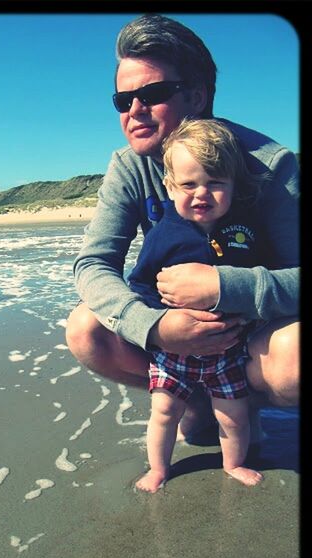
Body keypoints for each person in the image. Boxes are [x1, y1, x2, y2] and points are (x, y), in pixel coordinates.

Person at [66, 14, 299, 442]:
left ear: (196, 95)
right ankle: (195, 395)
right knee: (86, 330)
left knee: (295, 361)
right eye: (123, 100)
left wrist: (222, 287)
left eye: (152, 94)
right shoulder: (129, 166)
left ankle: (243, 403)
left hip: (252, 332)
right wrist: (154, 328)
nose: (134, 111)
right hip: (170, 330)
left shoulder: (269, 164)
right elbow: (93, 263)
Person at [129, 117, 270, 491]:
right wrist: (160, 325)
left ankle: (232, 464)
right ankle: (158, 469)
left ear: (233, 186)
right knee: (164, 412)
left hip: (228, 349)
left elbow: (263, 276)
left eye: (215, 183)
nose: (201, 194)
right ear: (170, 187)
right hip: (173, 351)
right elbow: (140, 283)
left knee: (235, 416)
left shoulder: (244, 231)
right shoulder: (165, 235)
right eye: (189, 184)